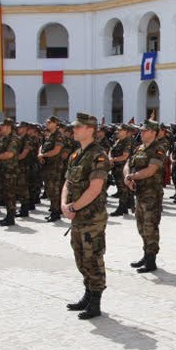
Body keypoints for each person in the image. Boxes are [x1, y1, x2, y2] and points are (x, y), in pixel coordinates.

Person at [62, 113, 112, 320]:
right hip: (77, 215)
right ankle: (88, 294)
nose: (74, 130)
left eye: (78, 127)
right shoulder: (76, 155)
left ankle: (96, 302)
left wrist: (73, 207)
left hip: (92, 217)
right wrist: (64, 205)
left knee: (93, 258)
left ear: (90, 130)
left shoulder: (99, 155)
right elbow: (67, 183)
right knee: (80, 257)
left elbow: (95, 188)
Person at [125, 120, 166, 273]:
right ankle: (145, 254)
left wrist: (132, 177)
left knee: (150, 227)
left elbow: (150, 170)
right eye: (141, 130)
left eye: (145, 130)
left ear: (154, 133)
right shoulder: (139, 148)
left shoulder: (158, 150)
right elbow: (127, 165)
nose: (141, 133)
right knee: (141, 226)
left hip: (152, 194)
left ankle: (151, 260)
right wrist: (127, 177)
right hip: (139, 193)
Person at [0, 118, 22, 226]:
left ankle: (10, 217)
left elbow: (9, 154)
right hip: (3, 170)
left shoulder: (13, 139)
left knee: (10, 194)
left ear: (9, 127)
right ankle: (8, 215)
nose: (1, 127)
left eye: (3, 126)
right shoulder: (3, 138)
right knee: (6, 194)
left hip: (10, 170)